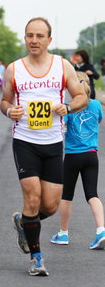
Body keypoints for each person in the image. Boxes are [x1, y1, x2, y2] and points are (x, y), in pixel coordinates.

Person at [0, 17, 87, 276]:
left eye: (39, 36)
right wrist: (9, 112)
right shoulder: (14, 69)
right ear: (24, 38)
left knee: (49, 206)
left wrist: (68, 107)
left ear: (49, 40)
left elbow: (82, 96)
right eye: (29, 35)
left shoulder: (62, 66)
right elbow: (4, 101)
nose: (34, 40)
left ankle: (23, 221)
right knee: (32, 197)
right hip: (25, 141)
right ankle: (36, 259)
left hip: (53, 143)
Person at [50, 72, 105, 249]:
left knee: (66, 196)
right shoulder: (96, 104)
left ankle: (63, 233)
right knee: (92, 194)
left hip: (73, 156)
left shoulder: (68, 107)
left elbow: (62, 127)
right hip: (91, 155)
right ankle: (101, 230)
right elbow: (100, 120)